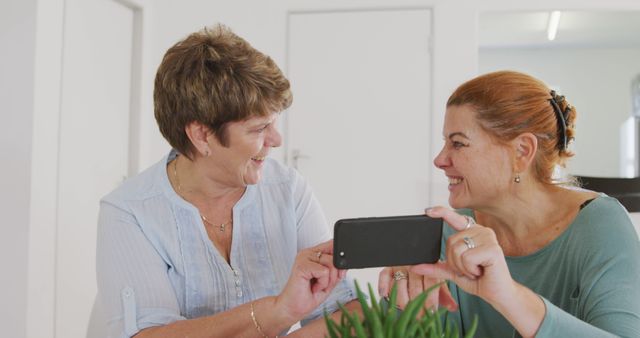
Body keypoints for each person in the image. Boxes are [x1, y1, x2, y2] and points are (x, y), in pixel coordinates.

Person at [96, 24, 358, 338]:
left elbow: (342, 313)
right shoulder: (129, 212)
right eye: (259, 128)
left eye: (274, 123)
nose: (276, 139)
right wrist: (277, 312)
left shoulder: (288, 190)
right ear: (201, 136)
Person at [379, 70, 640, 337]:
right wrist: (399, 304)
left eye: (458, 143)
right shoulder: (452, 234)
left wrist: (508, 296)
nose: (440, 159)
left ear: (522, 151)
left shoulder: (599, 226)